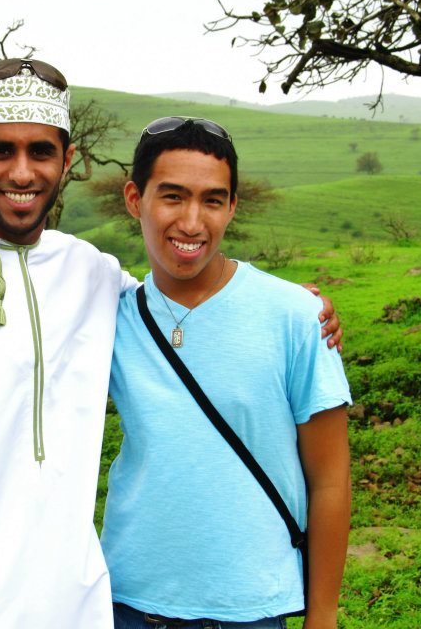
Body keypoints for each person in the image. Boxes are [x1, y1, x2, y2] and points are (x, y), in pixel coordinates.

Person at [0, 59, 342, 629]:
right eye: (0, 151)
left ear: (67, 162)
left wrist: (298, 306)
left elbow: (187, 295)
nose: (22, 172)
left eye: (41, 152)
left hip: (75, 609)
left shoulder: (93, 276)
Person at [101, 117, 351, 629]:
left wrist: (322, 618)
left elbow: (330, 479)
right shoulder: (106, 314)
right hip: (125, 601)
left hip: (252, 608)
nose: (192, 223)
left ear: (233, 206)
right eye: (172, 197)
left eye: (212, 200)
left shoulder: (295, 317)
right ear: (134, 199)